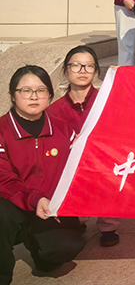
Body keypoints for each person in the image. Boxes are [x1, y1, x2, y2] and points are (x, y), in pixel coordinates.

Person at [0, 66, 85, 283]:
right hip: (11, 205)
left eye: (41, 90)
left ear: (50, 95)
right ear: (12, 95)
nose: (34, 96)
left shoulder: (64, 129)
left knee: (66, 247)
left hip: (48, 207)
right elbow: (3, 178)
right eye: (26, 90)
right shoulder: (1, 130)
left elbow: (82, 167)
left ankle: (42, 254)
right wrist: (34, 199)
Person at [46, 47, 120, 247]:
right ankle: (77, 219)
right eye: (76, 65)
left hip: (102, 161)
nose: (82, 70)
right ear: (65, 70)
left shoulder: (106, 101)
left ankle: (108, 225)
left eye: (89, 66)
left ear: (96, 71)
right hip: (71, 165)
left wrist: (121, 79)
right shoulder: (54, 110)